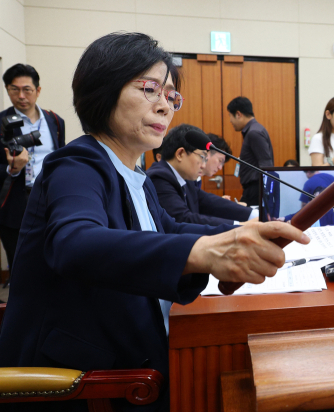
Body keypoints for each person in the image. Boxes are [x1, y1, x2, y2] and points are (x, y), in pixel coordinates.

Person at [0, 32, 308, 412]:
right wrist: (204, 252)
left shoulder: (136, 174)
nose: (165, 107)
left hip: (135, 356)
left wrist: (241, 234)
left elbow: (169, 228)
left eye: (170, 96)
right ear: (103, 89)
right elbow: (75, 243)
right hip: (86, 382)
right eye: (150, 89)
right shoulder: (76, 164)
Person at [0, 64, 65, 281]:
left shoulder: (55, 121)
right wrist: (12, 169)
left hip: (51, 199)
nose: (20, 96)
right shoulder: (1, 123)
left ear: (38, 90)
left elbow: (60, 157)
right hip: (15, 202)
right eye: (13, 89)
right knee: (20, 263)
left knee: (53, 256)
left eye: (27, 89)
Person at [146, 124, 257, 226]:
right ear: (180, 154)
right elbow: (183, 219)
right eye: (202, 157)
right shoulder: (159, 178)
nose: (204, 165)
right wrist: (239, 226)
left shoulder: (184, 177)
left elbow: (209, 202)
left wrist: (253, 214)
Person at [227, 96, 274, 206]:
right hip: (254, 189)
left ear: (238, 114)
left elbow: (266, 165)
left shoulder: (254, 133)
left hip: (256, 190)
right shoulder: (254, 130)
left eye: (230, 116)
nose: (230, 121)